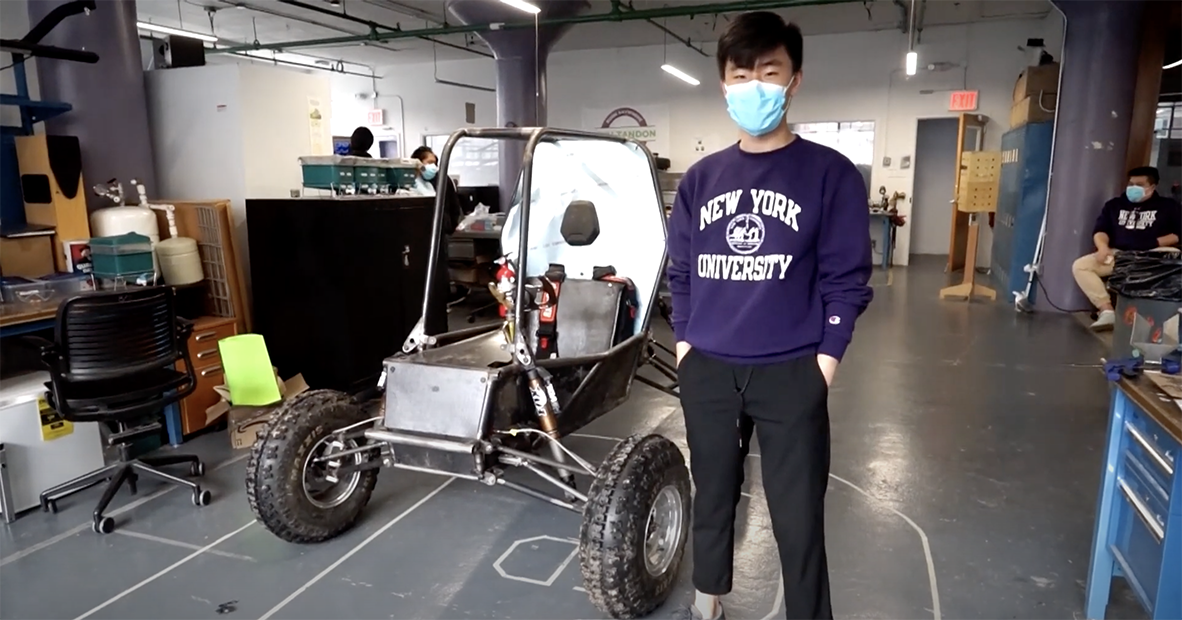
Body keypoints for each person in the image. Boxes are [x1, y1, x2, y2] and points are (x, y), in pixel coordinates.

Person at [666, 11, 873, 620]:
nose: (753, 85)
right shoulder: (701, 179)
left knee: (798, 511)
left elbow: (846, 278)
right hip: (708, 367)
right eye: (739, 74)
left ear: (793, 80)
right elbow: (680, 272)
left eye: (768, 71)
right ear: (723, 84)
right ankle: (708, 601)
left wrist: (824, 365)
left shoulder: (830, 174)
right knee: (713, 497)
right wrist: (684, 346)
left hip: (791, 370)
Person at [1072, 166, 1181, 331]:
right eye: (1131, 184)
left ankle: (1157, 312)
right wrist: (1102, 247)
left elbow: (1179, 234)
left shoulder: (1168, 206)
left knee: (1174, 256)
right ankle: (1107, 310)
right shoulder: (1114, 205)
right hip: (1120, 255)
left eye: (1139, 184)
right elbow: (1100, 230)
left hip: (1152, 255)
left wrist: (1154, 242)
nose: (1133, 188)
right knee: (1081, 266)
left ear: (1152, 187)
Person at [409, 146, 465, 334]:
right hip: (419, 237)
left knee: (439, 280)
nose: (433, 166)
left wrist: (450, 225)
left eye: (435, 162)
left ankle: (439, 326)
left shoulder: (443, 180)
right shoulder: (411, 183)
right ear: (418, 163)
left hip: (439, 233)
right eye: (429, 162)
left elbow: (453, 207)